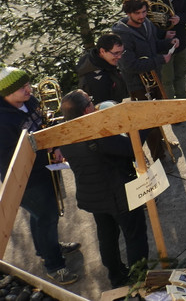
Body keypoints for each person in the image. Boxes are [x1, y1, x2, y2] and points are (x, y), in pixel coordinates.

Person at [59, 90, 149, 288]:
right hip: (118, 195)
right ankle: (139, 280)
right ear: (86, 110)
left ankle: (116, 276)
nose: (94, 104)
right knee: (135, 236)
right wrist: (144, 124)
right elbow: (130, 147)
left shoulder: (63, 133)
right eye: (91, 102)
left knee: (107, 236)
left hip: (94, 197)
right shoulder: (96, 132)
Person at [0, 67, 79, 285]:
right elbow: (11, 159)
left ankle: (46, 248)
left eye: (27, 85)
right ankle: (54, 266)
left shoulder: (30, 101)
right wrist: (47, 153)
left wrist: (55, 143)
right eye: (22, 88)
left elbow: (44, 122)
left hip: (44, 167)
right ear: (6, 93)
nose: (29, 89)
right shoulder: (3, 122)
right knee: (47, 217)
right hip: (26, 179)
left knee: (42, 217)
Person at [111, 0, 176, 165]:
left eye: (144, 12)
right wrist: (161, 60)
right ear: (128, 13)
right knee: (148, 122)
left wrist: (168, 43)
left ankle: (163, 143)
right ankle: (159, 158)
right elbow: (129, 65)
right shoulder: (122, 35)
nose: (141, 16)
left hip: (154, 77)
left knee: (158, 114)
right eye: (137, 13)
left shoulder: (146, 23)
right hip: (138, 85)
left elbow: (153, 45)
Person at [144, 0, 186, 99]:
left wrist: (181, 18)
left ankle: (183, 101)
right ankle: (172, 107)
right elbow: (147, 24)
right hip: (163, 46)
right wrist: (163, 35)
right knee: (166, 79)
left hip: (181, 42)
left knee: (181, 74)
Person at [75, 32, 128, 105]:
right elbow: (102, 108)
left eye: (121, 52)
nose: (119, 57)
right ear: (102, 51)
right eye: (116, 53)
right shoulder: (95, 78)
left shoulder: (108, 65)